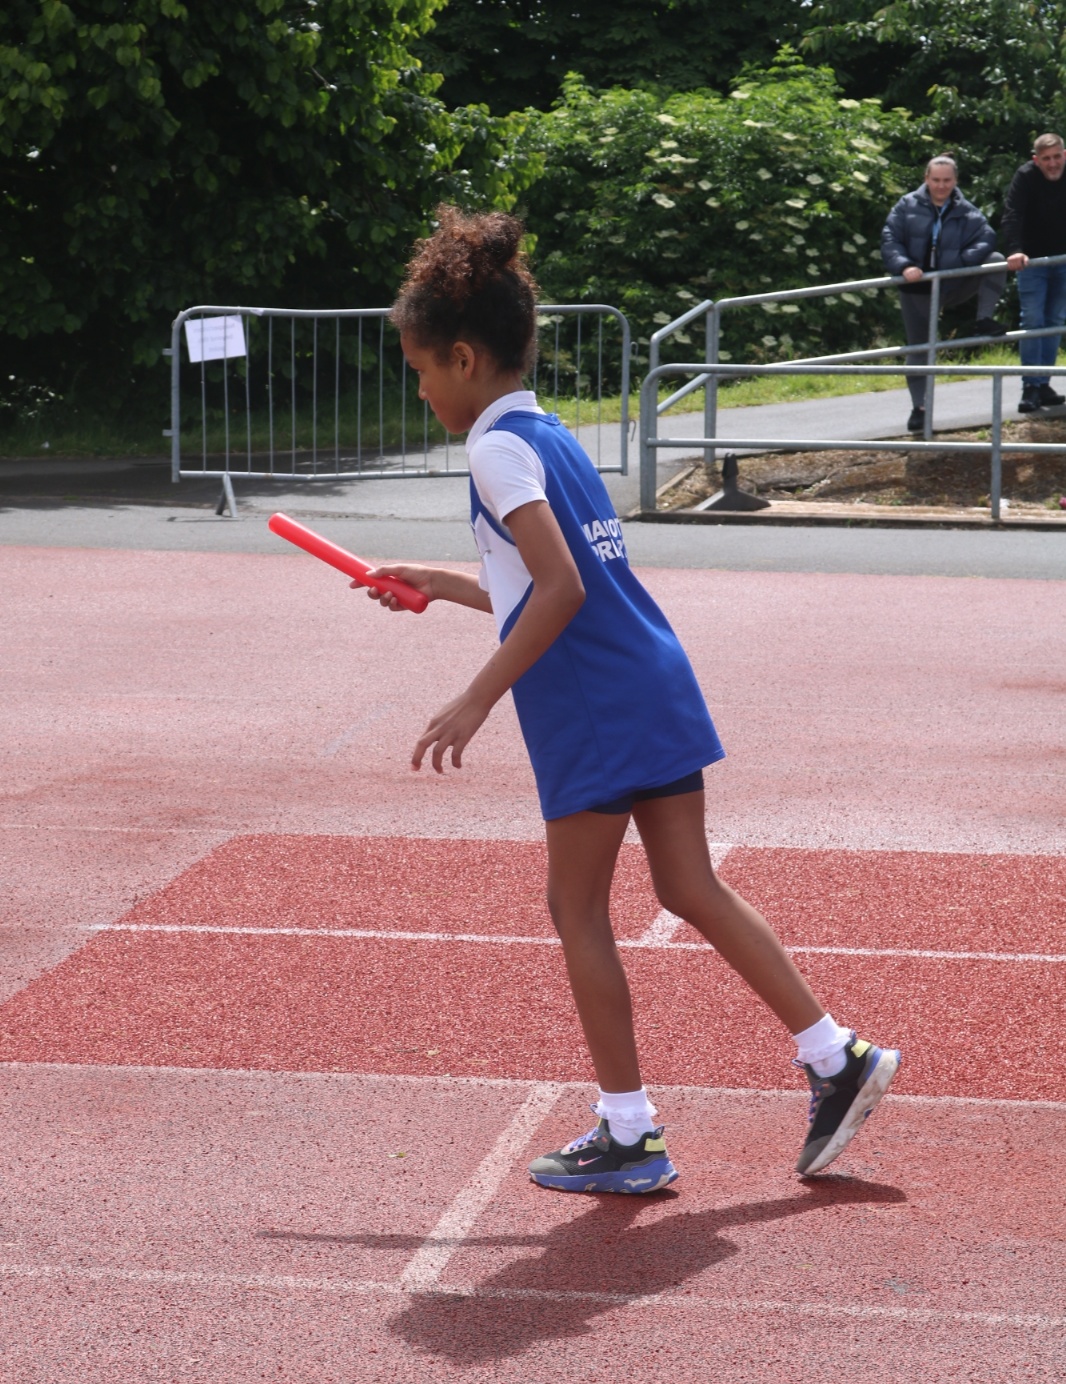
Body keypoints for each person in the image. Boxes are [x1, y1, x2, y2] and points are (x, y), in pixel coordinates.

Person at [364, 206, 899, 1194]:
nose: (423, 387)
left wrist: (476, 697)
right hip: (647, 673)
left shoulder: (491, 450)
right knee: (689, 887)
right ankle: (837, 1055)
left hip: (592, 703)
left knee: (575, 906)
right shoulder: (550, 435)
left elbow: (561, 589)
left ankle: (628, 1133)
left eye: (422, 369)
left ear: (465, 358)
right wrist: (441, 584)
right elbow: (555, 582)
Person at [881, 155, 1007, 432]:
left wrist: (961, 263)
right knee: (919, 346)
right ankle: (919, 408)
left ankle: (984, 319)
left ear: (955, 180)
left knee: (997, 260)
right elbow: (890, 239)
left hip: (951, 283)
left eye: (947, 180)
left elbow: (987, 237)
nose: (941, 186)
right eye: (936, 180)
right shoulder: (906, 205)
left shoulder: (966, 209)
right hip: (916, 286)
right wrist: (905, 266)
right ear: (926, 179)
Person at [1002, 133, 1066, 413]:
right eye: (1046, 158)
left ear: (1065, 155)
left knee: (1054, 321)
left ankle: (1043, 383)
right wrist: (1015, 250)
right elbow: (1012, 213)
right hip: (1032, 262)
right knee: (1033, 320)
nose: (1053, 164)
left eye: (1057, 157)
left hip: (1063, 260)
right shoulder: (1026, 176)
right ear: (1036, 160)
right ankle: (1030, 385)